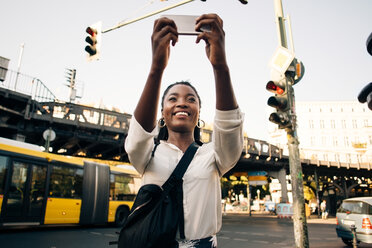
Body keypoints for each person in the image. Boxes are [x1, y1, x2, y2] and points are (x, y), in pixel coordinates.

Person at [125, 13, 244, 248]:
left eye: (191, 99)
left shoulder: (213, 156)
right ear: (162, 113)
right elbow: (138, 135)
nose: (182, 103)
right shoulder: (148, 155)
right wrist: (156, 69)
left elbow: (229, 128)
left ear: (198, 113)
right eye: (172, 99)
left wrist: (220, 66)